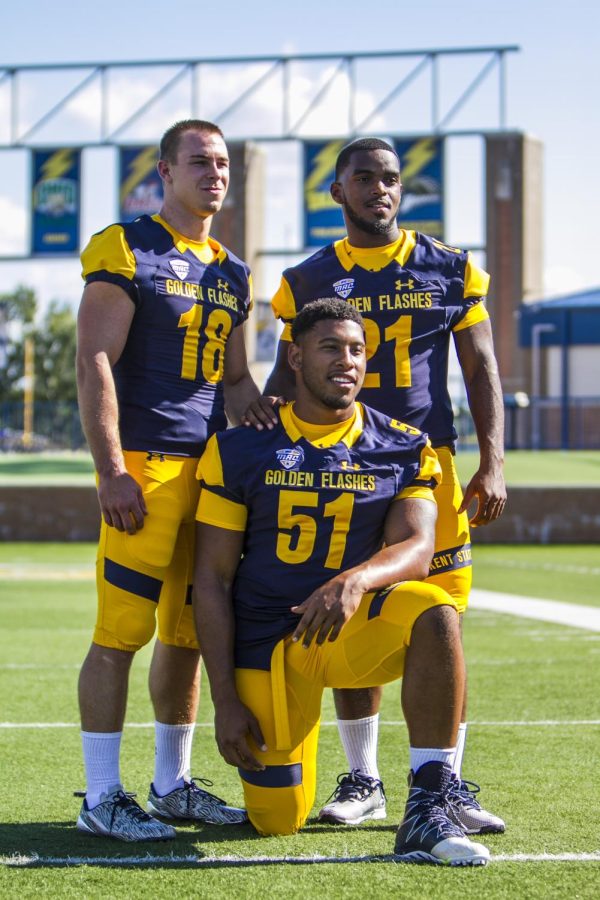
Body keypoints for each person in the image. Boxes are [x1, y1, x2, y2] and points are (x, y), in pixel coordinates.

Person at [244, 138, 506, 833]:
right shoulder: (308, 277)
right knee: (350, 608)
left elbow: (480, 369)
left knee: (439, 618)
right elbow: (283, 375)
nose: (379, 190)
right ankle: (364, 778)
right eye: (364, 178)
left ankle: (443, 783)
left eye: (390, 179)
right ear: (337, 191)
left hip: (428, 461)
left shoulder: (447, 268)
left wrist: (494, 459)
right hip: (344, 468)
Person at [193, 298, 490, 866]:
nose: (347, 360)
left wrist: (354, 581)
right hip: (267, 645)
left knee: (433, 608)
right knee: (277, 823)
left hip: (343, 633)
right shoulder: (240, 447)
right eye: (331, 347)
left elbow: (418, 549)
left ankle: (428, 802)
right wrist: (224, 699)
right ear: (296, 357)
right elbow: (210, 578)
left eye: (357, 350)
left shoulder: (402, 445)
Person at [75, 119, 260, 841]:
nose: (214, 173)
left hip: (210, 475)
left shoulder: (232, 270)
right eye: (199, 161)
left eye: (222, 163)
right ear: (164, 172)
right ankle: (100, 796)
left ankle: (172, 784)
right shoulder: (128, 246)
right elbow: (94, 358)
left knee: (185, 634)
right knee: (119, 634)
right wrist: (111, 468)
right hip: (147, 468)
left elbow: (237, 379)